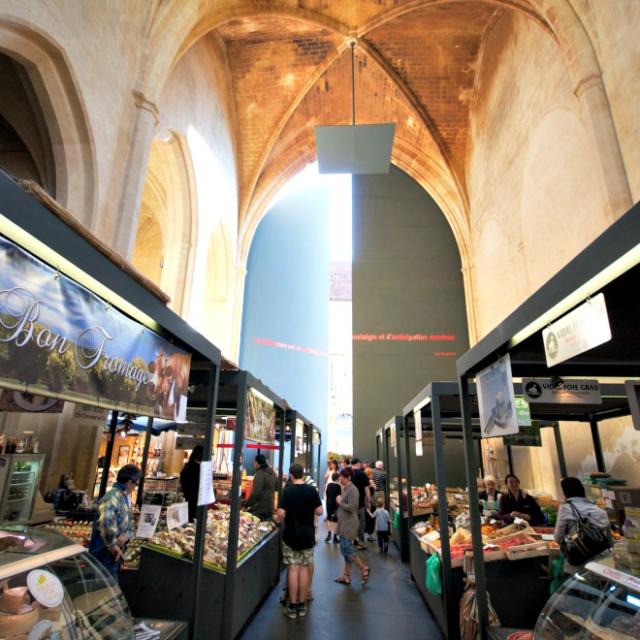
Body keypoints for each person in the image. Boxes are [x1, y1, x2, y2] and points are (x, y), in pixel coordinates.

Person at [277, 463, 323, 619]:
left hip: (291, 535)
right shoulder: (311, 491)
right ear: (303, 474)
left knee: (293, 569)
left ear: (291, 475)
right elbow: (320, 511)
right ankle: (302, 605)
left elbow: (281, 513)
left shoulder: (287, 491)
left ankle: (292, 605)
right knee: (304, 568)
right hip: (307, 535)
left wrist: (279, 516)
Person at [89, 464, 141, 580]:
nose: (135, 487)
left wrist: (127, 535)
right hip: (103, 557)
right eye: (136, 484)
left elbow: (130, 524)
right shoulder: (112, 497)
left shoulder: (123, 498)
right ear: (129, 483)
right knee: (107, 593)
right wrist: (113, 545)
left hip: (113, 557)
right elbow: (105, 521)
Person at [554, 476, 611, 572]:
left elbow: (558, 537)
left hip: (579, 560)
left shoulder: (566, 508)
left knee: (579, 586)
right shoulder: (600, 511)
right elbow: (609, 539)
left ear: (565, 492)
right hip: (601, 561)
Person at [334, 467, 371, 585]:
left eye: (342, 477)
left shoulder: (353, 490)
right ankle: (346, 576)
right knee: (345, 550)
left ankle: (363, 568)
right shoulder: (345, 488)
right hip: (344, 523)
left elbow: (352, 508)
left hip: (349, 524)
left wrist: (340, 502)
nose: (340, 479)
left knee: (347, 549)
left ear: (349, 478)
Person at [245, 454, 277, 520]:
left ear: (257, 463)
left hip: (260, 509)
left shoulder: (260, 474)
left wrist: (247, 504)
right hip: (270, 507)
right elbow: (277, 487)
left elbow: (255, 492)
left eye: (254, 463)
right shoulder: (273, 473)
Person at [350, 458, 370, 550]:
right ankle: (360, 543)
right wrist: (368, 502)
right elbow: (367, 490)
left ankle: (352, 540)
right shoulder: (363, 474)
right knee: (360, 523)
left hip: (348, 502)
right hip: (360, 502)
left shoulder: (347, 473)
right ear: (358, 464)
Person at [179, 445, 202, 522]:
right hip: (193, 498)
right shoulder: (196, 467)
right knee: (191, 517)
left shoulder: (188, 465)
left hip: (189, 497)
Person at [325, 471, 341, 543]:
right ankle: (335, 536)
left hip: (328, 503)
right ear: (337, 478)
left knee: (329, 518)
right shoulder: (338, 486)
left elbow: (326, 493)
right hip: (335, 505)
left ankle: (329, 534)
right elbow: (338, 497)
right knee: (335, 520)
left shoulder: (329, 485)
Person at [364, 467, 377, 541]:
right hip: (371, 501)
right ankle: (370, 534)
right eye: (371, 473)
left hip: (365, 501)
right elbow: (375, 488)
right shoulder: (370, 481)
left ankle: (366, 533)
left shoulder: (365, 481)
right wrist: (371, 484)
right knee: (371, 518)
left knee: (366, 517)